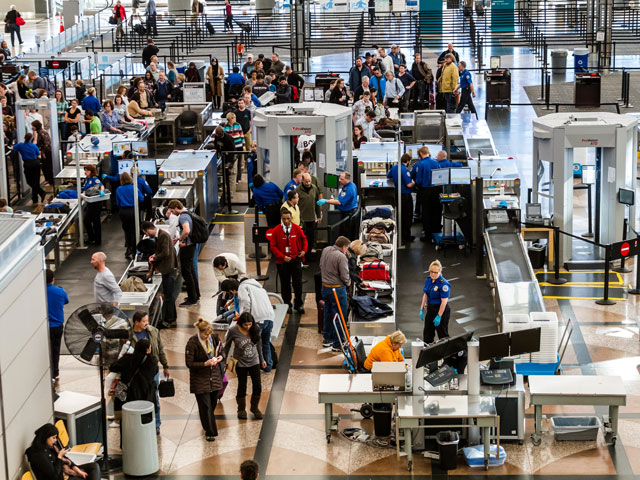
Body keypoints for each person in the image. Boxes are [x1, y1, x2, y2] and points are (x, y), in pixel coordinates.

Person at [221, 278, 275, 371]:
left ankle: (252, 369)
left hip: (257, 319)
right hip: (269, 317)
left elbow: (246, 304)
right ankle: (268, 367)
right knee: (265, 343)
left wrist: (243, 319)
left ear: (233, 289)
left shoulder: (242, 287)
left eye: (232, 292)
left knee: (252, 345)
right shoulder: (258, 287)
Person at [129, 311, 169, 433]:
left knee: (154, 396)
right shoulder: (129, 335)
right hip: (137, 372)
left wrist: (165, 365)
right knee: (138, 396)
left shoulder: (153, 331)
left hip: (152, 370)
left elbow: (160, 349)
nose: (147, 323)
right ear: (136, 322)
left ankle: (156, 423)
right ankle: (140, 422)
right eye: (144, 321)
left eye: (147, 321)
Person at [185, 319, 224, 441]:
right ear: (199, 331)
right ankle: (211, 432)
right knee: (206, 406)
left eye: (209, 334)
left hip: (214, 377)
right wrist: (204, 364)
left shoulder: (215, 339)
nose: (207, 337)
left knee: (211, 405)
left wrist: (220, 357)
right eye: (205, 334)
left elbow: (223, 352)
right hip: (200, 379)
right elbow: (189, 363)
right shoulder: (192, 343)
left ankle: (207, 423)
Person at [224, 312, 266, 419]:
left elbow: (259, 346)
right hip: (240, 363)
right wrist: (224, 360)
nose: (248, 327)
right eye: (245, 325)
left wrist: (262, 360)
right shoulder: (233, 331)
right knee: (242, 385)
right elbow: (227, 346)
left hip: (254, 361)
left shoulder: (255, 329)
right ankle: (241, 409)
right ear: (240, 323)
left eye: (249, 324)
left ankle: (254, 408)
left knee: (257, 385)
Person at [109, 339, 158, 425]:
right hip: (145, 396)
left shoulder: (127, 359)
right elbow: (155, 372)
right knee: (144, 424)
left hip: (128, 396)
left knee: (127, 423)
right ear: (147, 349)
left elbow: (113, 367)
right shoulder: (151, 362)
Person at [26, 423, 101, 480]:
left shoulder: (50, 446)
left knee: (94, 466)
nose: (55, 440)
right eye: (53, 438)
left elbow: (65, 458)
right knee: (89, 477)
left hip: (65, 472)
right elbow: (54, 476)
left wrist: (76, 469)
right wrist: (59, 457)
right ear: (45, 437)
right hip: (60, 477)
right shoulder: (38, 455)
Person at [267, 208, 307, 314]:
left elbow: (304, 239)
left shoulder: (297, 228)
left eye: (288, 219)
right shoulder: (276, 230)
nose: (286, 221)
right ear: (281, 218)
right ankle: (287, 304)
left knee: (297, 283)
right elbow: (273, 246)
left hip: (296, 260)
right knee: (285, 284)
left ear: (291, 218)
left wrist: (304, 250)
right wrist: (282, 256)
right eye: (284, 219)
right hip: (283, 262)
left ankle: (298, 304)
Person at [142, 221, 178, 328]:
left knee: (168, 296)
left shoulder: (163, 236)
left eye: (146, 233)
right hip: (166, 269)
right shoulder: (160, 236)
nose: (147, 235)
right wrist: (154, 255)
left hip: (169, 269)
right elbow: (161, 250)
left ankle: (170, 320)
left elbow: (166, 253)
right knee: (168, 295)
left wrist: (155, 258)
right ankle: (170, 319)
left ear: (148, 230)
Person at [319, 236, 351, 350]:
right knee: (340, 315)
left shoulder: (326, 249)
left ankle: (327, 339)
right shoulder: (341, 256)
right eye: (347, 248)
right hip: (337, 290)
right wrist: (348, 283)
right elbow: (344, 275)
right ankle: (338, 344)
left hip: (325, 287)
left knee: (328, 313)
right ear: (343, 247)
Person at [168, 200, 201, 306]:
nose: (173, 213)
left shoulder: (182, 216)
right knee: (190, 270)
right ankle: (196, 294)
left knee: (186, 272)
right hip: (192, 245)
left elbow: (186, 230)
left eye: (173, 211)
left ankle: (192, 298)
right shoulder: (188, 212)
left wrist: (181, 240)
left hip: (188, 247)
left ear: (177, 208)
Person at [412, 146, 440, 241]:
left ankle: (428, 235)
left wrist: (415, 184)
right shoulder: (436, 163)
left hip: (425, 190)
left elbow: (419, 180)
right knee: (436, 211)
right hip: (436, 189)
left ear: (420, 154)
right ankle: (436, 232)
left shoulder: (421, 164)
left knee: (426, 212)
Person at [420, 260, 451, 343]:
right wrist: (422, 309)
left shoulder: (444, 284)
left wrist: (439, 316)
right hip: (430, 309)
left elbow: (444, 302)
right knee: (427, 333)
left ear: (440, 272)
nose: (433, 274)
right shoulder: (429, 280)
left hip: (440, 309)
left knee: (443, 335)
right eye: (431, 272)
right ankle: (428, 352)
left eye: (435, 272)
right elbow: (425, 294)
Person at [46, 269, 69, 382]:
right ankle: (56, 371)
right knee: (56, 348)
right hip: (57, 325)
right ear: (53, 279)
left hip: (46, 327)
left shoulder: (41, 292)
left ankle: (48, 372)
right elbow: (66, 301)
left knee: (47, 350)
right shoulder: (60, 291)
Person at [387, 153, 415, 243]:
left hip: (397, 194)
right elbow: (409, 184)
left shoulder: (395, 167)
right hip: (405, 196)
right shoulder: (404, 170)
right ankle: (406, 237)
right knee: (407, 216)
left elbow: (389, 176)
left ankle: (400, 235)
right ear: (407, 161)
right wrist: (414, 182)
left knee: (400, 216)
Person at [115, 171, 143, 258]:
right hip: (133, 210)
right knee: (134, 230)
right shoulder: (134, 188)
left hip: (123, 212)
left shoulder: (118, 189)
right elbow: (141, 198)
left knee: (126, 230)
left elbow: (117, 202)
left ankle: (128, 248)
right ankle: (135, 250)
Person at [323, 171, 359, 238]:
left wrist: (326, 201)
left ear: (347, 179)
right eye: (339, 178)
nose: (339, 180)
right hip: (347, 210)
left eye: (342, 179)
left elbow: (339, 202)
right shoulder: (349, 185)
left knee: (346, 233)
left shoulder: (349, 189)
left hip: (348, 213)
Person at [12, 133, 44, 204]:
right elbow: (38, 154)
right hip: (36, 163)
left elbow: (12, 148)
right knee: (36, 181)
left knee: (29, 181)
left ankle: (40, 193)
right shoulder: (33, 145)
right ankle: (36, 197)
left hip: (28, 164)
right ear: (31, 138)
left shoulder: (20, 145)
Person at [295, 172, 322, 253]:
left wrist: (319, 216)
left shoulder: (314, 189)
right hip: (302, 219)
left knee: (311, 238)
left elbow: (317, 203)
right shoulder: (297, 190)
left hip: (312, 218)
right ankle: (303, 254)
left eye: (309, 181)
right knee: (302, 238)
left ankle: (309, 253)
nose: (308, 183)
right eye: (306, 181)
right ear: (302, 180)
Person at [82, 165, 105, 245]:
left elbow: (101, 186)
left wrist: (102, 191)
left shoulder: (95, 179)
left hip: (96, 202)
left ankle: (96, 240)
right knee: (89, 220)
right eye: (85, 170)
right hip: (90, 202)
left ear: (92, 171)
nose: (86, 172)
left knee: (94, 221)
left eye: (87, 170)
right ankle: (92, 238)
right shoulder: (87, 179)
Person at [30, 120, 53, 186]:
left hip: (46, 153)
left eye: (33, 126)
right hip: (43, 152)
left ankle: (50, 181)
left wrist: (42, 152)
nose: (32, 127)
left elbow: (46, 144)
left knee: (47, 167)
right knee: (44, 167)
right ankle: (47, 180)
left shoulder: (42, 132)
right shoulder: (39, 132)